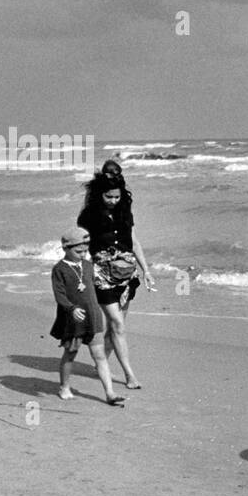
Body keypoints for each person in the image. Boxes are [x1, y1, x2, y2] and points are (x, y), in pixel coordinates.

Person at [77, 160, 156, 389]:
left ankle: (101, 362)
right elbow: (81, 248)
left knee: (115, 328)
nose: (113, 201)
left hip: (126, 276)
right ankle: (129, 375)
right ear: (100, 194)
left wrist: (146, 270)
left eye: (117, 197)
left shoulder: (124, 213)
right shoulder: (88, 217)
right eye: (109, 197)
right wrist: (80, 276)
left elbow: (134, 242)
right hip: (101, 276)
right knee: (118, 324)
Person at [50, 228, 125, 406]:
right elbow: (59, 295)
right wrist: (71, 308)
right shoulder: (59, 269)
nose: (83, 254)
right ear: (65, 248)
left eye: (85, 251)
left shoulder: (88, 265)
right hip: (73, 320)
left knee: (100, 356)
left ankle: (110, 393)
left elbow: (97, 287)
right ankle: (64, 387)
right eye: (78, 252)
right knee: (70, 354)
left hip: (93, 317)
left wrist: (117, 292)